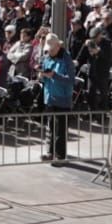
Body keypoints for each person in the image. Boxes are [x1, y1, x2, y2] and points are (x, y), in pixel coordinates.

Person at [39, 34, 75, 163]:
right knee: (51, 127)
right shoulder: (47, 58)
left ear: (58, 46)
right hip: (49, 97)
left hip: (63, 99)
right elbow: (44, 77)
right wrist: (43, 75)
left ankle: (60, 156)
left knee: (60, 130)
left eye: (52, 49)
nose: (50, 52)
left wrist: (54, 75)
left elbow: (71, 80)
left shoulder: (67, 60)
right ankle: (50, 152)